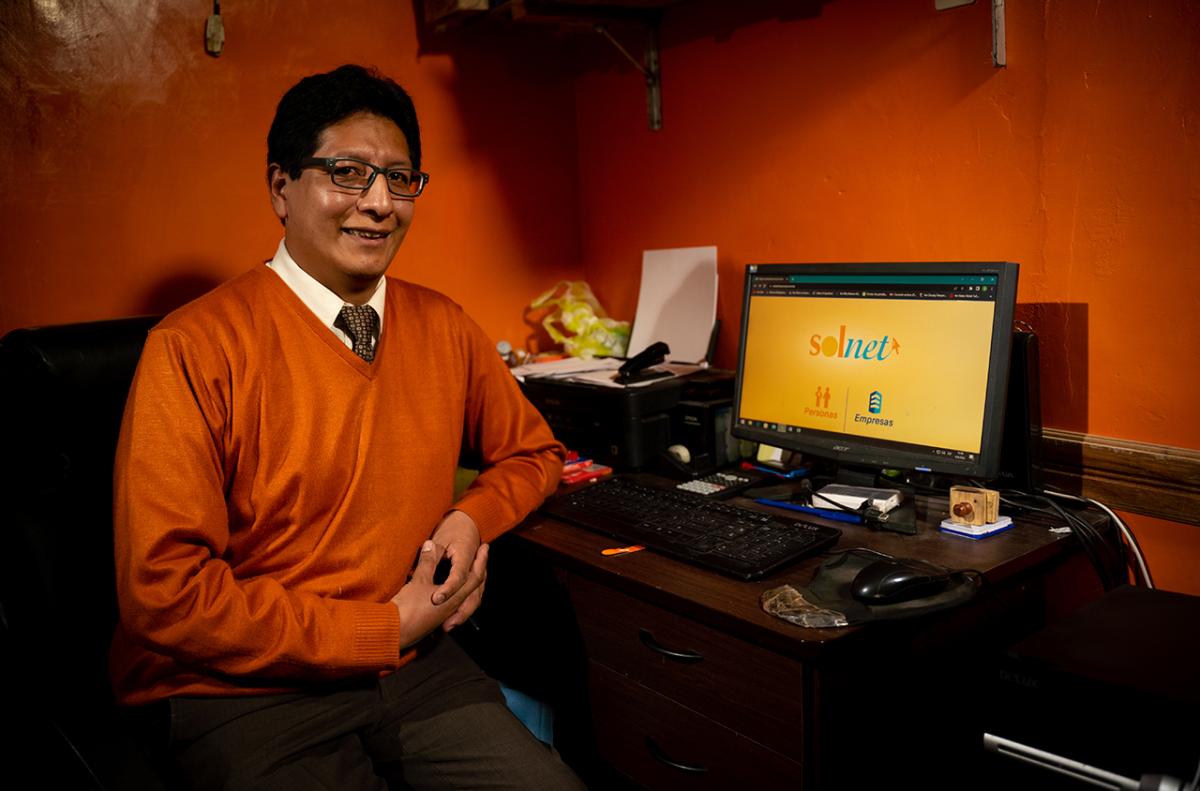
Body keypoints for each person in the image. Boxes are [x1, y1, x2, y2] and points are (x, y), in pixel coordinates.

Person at [110, 64, 581, 790]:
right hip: (243, 693)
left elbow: (534, 451)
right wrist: (381, 629)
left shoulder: (445, 326)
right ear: (280, 188)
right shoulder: (193, 347)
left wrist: (471, 519)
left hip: (418, 671)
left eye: (400, 179)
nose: (379, 203)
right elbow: (166, 595)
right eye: (348, 172)